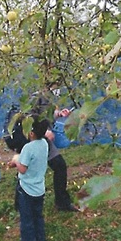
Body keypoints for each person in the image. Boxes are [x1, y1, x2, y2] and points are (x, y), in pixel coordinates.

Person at [30, 82, 79, 212]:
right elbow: (28, 119)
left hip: (44, 139)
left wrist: (59, 114)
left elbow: (47, 114)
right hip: (36, 139)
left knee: (59, 166)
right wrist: (43, 132)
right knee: (32, 171)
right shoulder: (37, 97)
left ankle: (61, 203)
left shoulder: (50, 98)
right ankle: (26, 206)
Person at [9, 114, 49, 241]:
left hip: (26, 190)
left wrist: (15, 160)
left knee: (27, 220)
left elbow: (23, 169)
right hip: (39, 189)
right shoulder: (44, 144)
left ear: (31, 133)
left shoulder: (28, 148)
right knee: (38, 216)